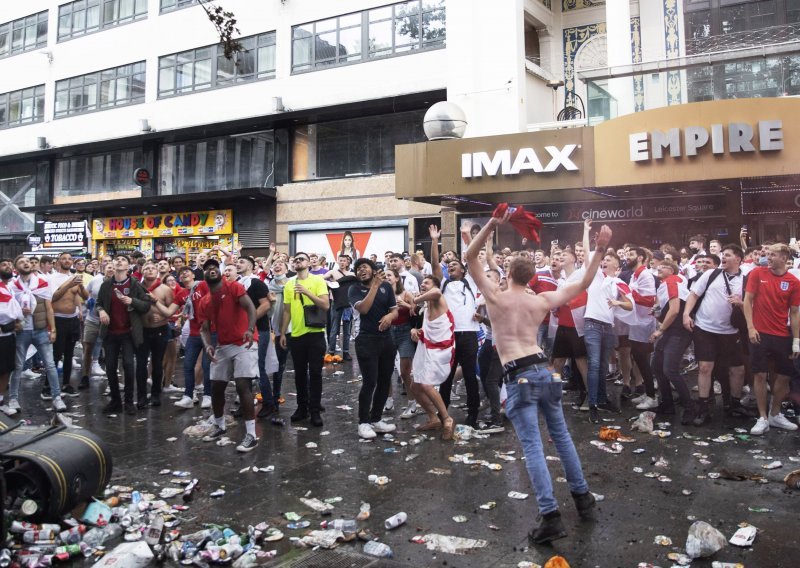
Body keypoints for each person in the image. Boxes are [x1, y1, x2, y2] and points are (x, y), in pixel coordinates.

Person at [465, 211, 610, 544]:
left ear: (510, 274)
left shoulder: (496, 297)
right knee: (561, 437)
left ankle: (550, 516)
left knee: (532, 446)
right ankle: (583, 499)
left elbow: (470, 256)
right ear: (531, 276)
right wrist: (599, 251)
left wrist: (491, 225)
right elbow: (585, 282)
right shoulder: (542, 300)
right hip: (545, 370)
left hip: (518, 376)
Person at [197, 258, 260, 452]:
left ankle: (251, 434)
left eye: (214, 267)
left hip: (244, 342)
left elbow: (250, 307)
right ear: (204, 274)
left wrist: (250, 329)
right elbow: (204, 328)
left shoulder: (233, 287)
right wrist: (208, 345)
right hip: (223, 345)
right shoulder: (204, 301)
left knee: (243, 385)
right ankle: (219, 425)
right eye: (207, 268)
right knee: (216, 387)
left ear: (220, 270)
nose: (211, 270)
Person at [743, 243, 800, 435]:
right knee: (759, 374)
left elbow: (794, 313)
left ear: (784, 258)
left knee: (784, 375)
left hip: (782, 334)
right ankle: (762, 417)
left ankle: (775, 413)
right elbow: (747, 301)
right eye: (767, 254)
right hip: (760, 332)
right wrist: (751, 327)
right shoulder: (757, 273)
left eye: (773, 255)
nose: (768, 258)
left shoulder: (793, 281)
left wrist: (796, 341)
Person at [429, 225, 482, 426]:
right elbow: (435, 264)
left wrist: (468, 237)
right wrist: (435, 240)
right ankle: (443, 415)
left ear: (463, 269)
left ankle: (473, 415)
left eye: (455, 264)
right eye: (448, 264)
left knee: (469, 376)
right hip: (449, 335)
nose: (450, 266)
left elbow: (473, 257)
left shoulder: (471, 281)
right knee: (446, 376)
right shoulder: (443, 283)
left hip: (469, 334)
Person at [96, 255, 155, 415]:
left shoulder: (135, 284)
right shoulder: (106, 284)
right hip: (110, 333)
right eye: (117, 260)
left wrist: (132, 302)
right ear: (113, 265)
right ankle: (115, 401)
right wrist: (101, 311)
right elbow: (98, 303)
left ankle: (129, 401)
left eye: (123, 260)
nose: (119, 261)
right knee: (110, 367)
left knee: (129, 366)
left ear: (129, 266)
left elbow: (146, 305)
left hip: (128, 333)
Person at [349, 258, 399, 439]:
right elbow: (363, 309)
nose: (361, 271)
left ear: (373, 269)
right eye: (358, 269)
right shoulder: (354, 289)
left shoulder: (386, 287)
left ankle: (376, 419)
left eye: (364, 267)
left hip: (386, 339)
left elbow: (395, 310)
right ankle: (363, 422)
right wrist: (374, 287)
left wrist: (389, 318)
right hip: (365, 339)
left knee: (385, 381)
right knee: (370, 382)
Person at [8, 255, 65, 413]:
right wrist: (20, 312)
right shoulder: (12, 286)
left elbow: (49, 307)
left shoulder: (42, 282)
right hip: (22, 332)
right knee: (18, 367)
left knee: (50, 365)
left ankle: (57, 397)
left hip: (40, 330)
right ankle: (13, 399)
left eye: (27, 261)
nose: (26, 263)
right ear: (16, 268)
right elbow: (9, 309)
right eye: (21, 262)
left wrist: (52, 329)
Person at [280, 252, 329, 427]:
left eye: (301, 259)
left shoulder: (318, 280)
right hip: (296, 335)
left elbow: (325, 305)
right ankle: (302, 408)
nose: (297, 261)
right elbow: (286, 311)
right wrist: (283, 333)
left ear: (308, 263)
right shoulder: (289, 284)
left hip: (315, 333)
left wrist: (307, 292)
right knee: (299, 374)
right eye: (295, 260)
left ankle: (315, 410)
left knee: (315, 373)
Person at [410, 275, 455, 439]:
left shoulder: (438, 298)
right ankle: (433, 418)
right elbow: (426, 331)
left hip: (441, 348)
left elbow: (436, 292)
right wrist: (415, 332)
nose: (423, 284)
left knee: (427, 384)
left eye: (426, 282)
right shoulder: (426, 308)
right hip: (426, 348)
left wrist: (416, 299)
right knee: (414, 386)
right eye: (422, 283)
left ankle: (447, 419)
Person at [650, 260, 695, 424]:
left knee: (670, 369)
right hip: (671, 330)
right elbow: (661, 310)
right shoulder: (664, 284)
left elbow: (675, 309)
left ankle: (690, 408)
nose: (659, 268)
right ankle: (667, 404)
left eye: (663, 266)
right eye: (658, 266)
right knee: (657, 366)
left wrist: (660, 330)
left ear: (672, 269)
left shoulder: (672, 280)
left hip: (678, 331)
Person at [236, 256, 276, 420]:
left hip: (260, 330)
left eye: (242, 262)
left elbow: (265, 305)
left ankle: (268, 403)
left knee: (258, 368)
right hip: (243, 331)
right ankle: (245, 405)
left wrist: (249, 323)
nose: (238, 264)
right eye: (237, 262)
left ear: (251, 266)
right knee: (242, 370)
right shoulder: (238, 284)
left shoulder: (256, 283)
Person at [172, 267, 214, 410]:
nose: (183, 273)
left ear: (193, 274)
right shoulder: (181, 294)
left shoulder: (203, 285)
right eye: (181, 273)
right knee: (188, 365)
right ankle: (188, 396)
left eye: (186, 271)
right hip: (194, 333)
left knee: (207, 365)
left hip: (210, 332)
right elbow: (169, 311)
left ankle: (208, 395)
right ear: (179, 279)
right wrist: (154, 302)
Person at [49, 252, 88, 397]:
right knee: (56, 354)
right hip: (58, 319)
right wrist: (69, 284)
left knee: (69, 354)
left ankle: (66, 384)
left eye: (69, 259)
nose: (67, 261)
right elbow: (53, 297)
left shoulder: (73, 277)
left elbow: (83, 296)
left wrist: (81, 286)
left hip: (72, 320)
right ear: (58, 261)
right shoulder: (52, 278)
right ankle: (48, 386)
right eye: (64, 258)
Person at [136, 260, 174, 408]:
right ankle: (141, 395)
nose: (150, 270)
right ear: (142, 271)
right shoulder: (137, 288)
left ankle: (156, 394)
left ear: (157, 272)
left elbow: (172, 309)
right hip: (142, 330)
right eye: (147, 268)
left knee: (157, 363)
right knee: (140, 364)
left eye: (153, 268)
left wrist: (163, 317)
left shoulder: (165, 289)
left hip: (160, 330)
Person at [386, 269, 419, 419]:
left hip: (405, 332)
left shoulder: (406, 293)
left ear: (397, 278)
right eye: (385, 276)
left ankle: (412, 403)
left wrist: (404, 303)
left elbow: (416, 310)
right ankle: (388, 400)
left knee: (405, 371)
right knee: (385, 370)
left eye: (389, 275)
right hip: (388, 331)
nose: (386, 278)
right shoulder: (382, 294)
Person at [79, 261, 113, 390]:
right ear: (103, 269)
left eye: (114, 268)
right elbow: (85, 295)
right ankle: (85, 377)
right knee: (88, 348)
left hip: (110, 323)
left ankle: (112, 381)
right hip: (92, 320)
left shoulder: (120, 283)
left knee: (110, 351)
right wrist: (87, 303)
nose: (112, 270)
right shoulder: (95, 280)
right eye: (109, 267)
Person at [0, 258, 22, 416]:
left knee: (6, 370)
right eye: (3, 264)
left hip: (8, 335)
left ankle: (0, 402)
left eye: (9, 265)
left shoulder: (11, 287)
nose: (8, 267)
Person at [324, 254, 357, 362]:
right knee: (334, 329)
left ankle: (346, 352)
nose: (342, 262)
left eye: (344, 260)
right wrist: (330, 284)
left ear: (348, 262)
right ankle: (331, 351)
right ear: (337, 261)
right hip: (336, 303)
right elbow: (321, 279)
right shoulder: (333, 272)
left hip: (348, 305)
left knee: (347, 330)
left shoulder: (352, 274)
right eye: (340, 260)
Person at [268, 260, 290, 404]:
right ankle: (275, 395)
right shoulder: (268, 287)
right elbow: (268, 311)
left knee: (302, 366)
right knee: (279, 366)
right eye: (275, 264)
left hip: (294, 329)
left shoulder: (292, 284)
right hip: (277, 330)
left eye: (281, 264)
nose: (277, 265)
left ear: (287, 270)